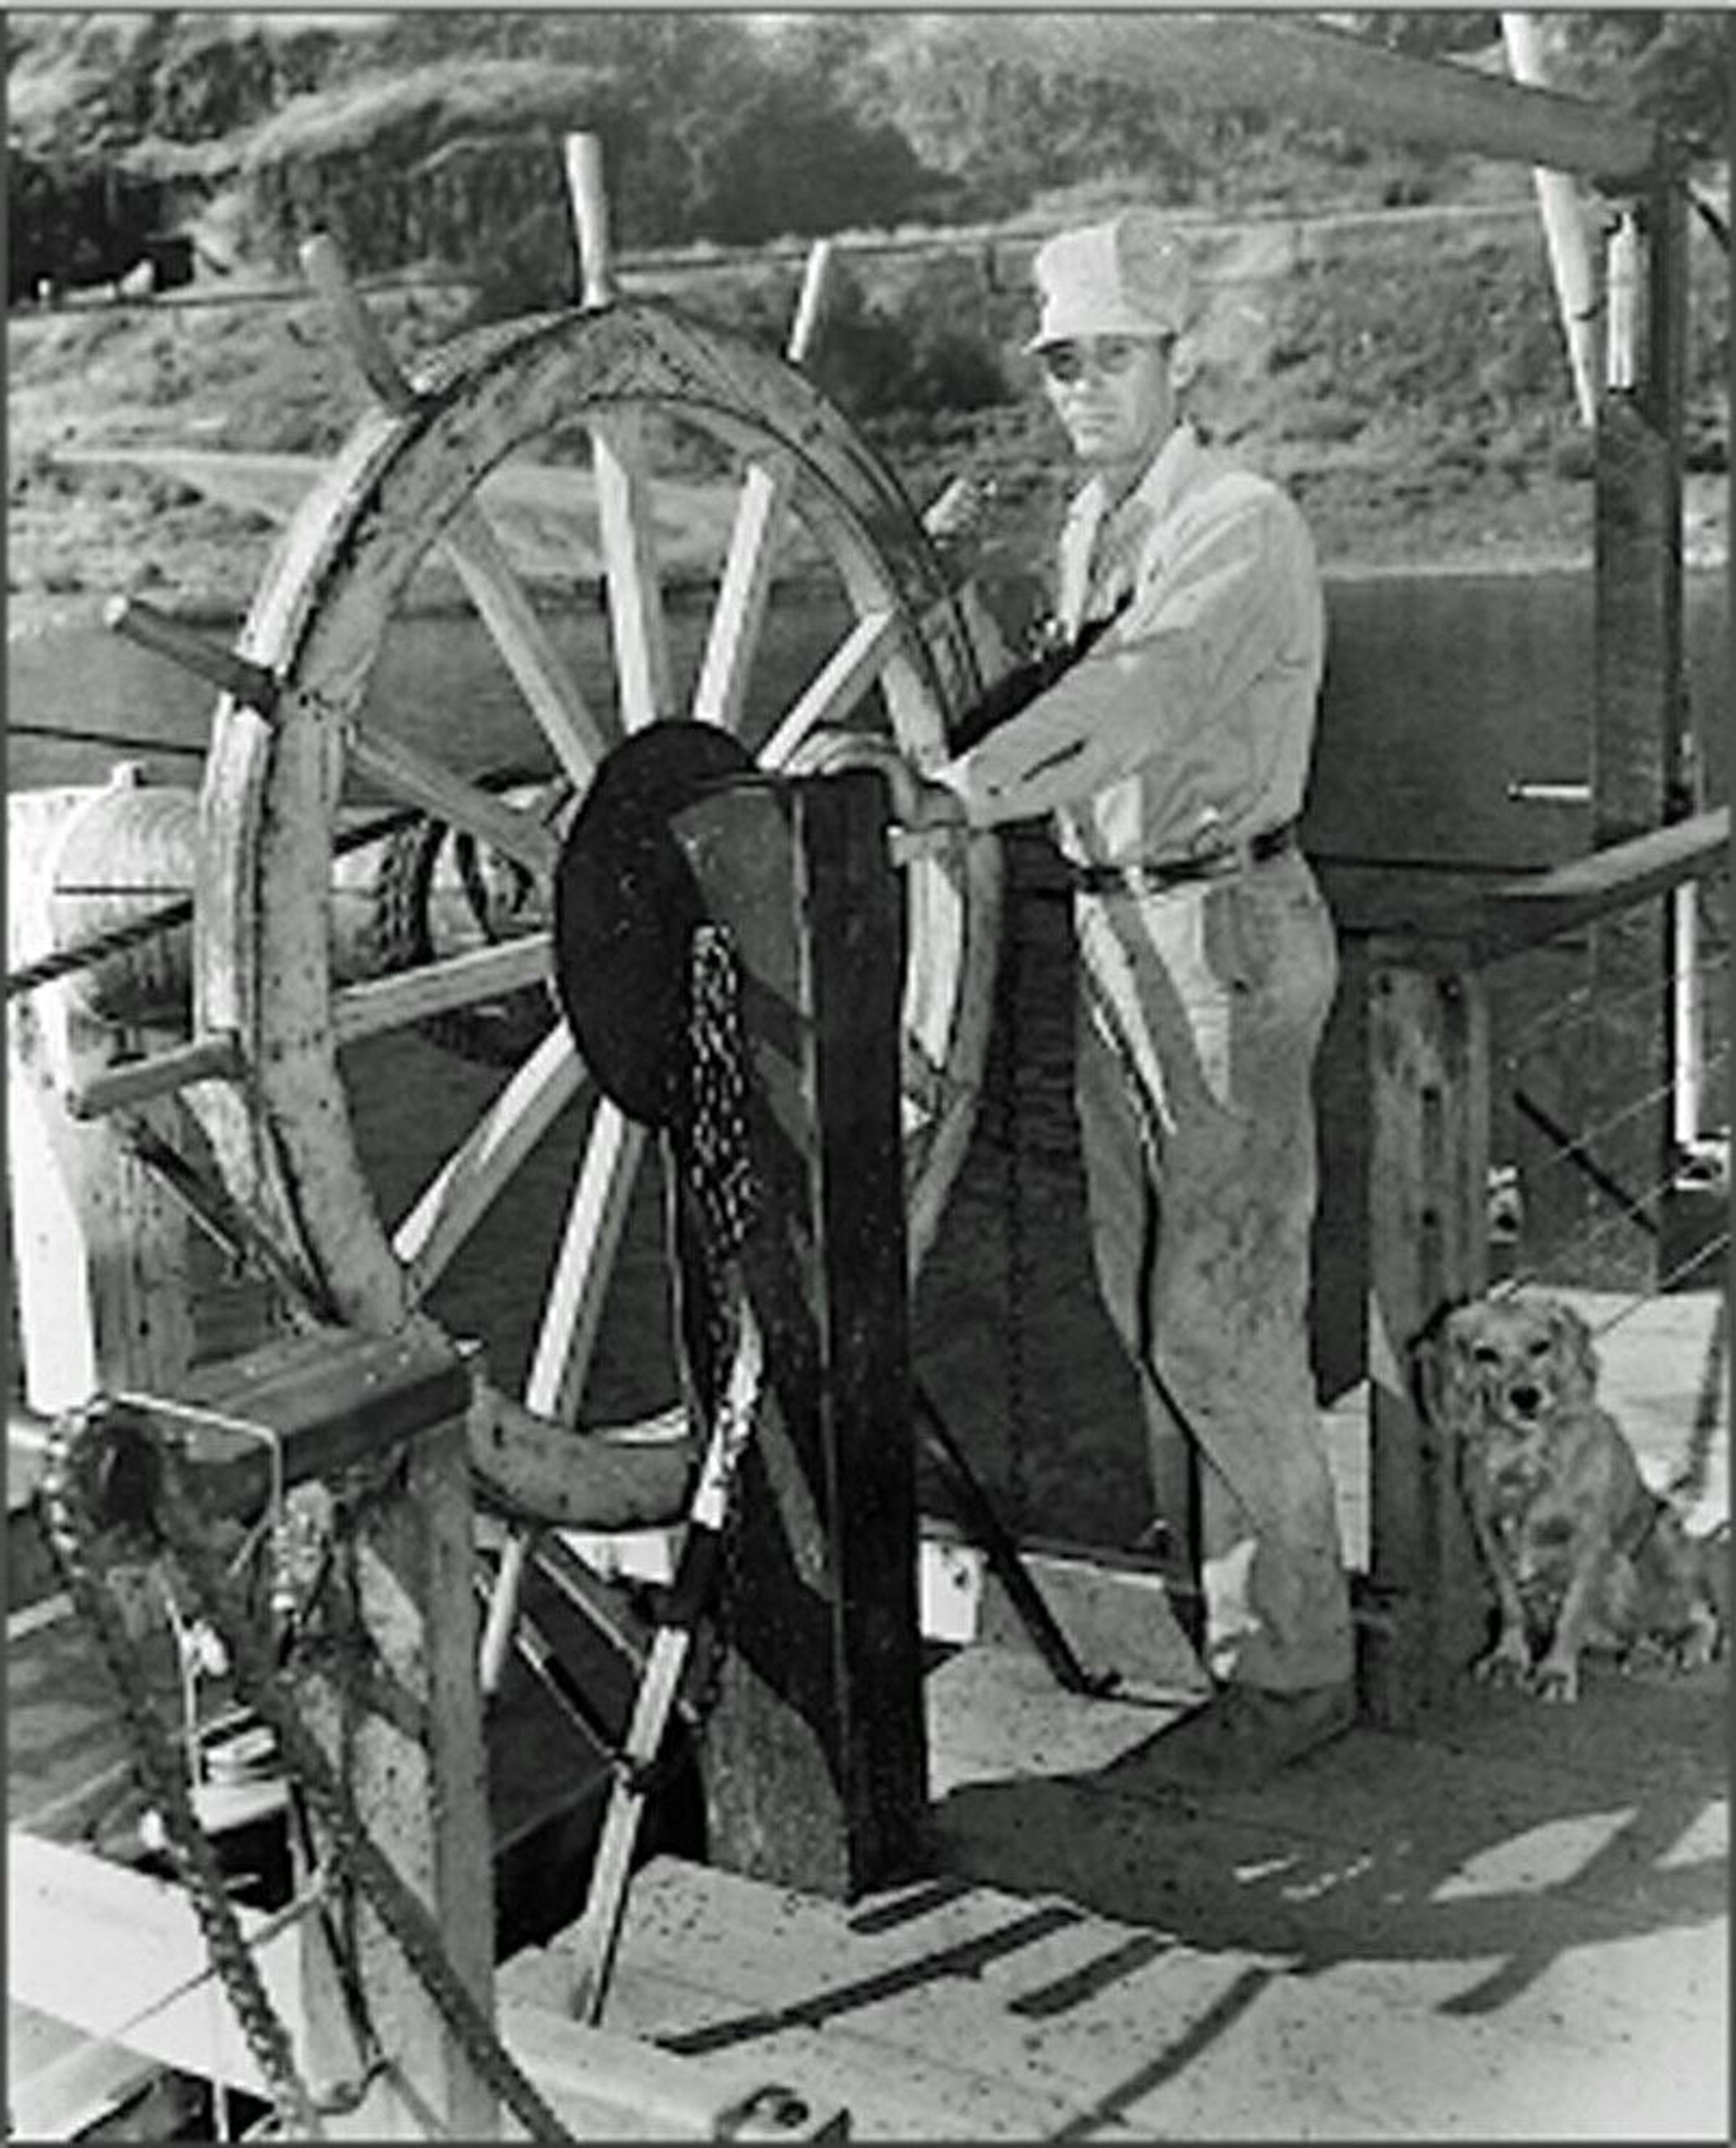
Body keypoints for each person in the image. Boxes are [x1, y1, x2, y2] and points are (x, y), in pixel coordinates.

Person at [800, 207, 1354, 1785]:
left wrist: (947, 794)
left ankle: (1298, 1678)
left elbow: (1137, 695)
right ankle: (1227, 1638)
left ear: (1178, 365)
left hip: (1227, 934)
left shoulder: (1237, 522)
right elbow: (1057, 692)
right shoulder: (1091, 535)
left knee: (1220, 1314)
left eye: (1112, 359)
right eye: (1062, 366)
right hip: (1118, 935)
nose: (1082, 390)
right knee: (1141, 1301)